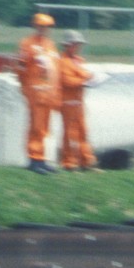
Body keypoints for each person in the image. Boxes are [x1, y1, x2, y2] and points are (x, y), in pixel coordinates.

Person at [15, 13, 61, 174]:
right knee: (36, 127)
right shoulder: (27, 43)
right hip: (35, 91)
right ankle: (33, 159)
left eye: (48, 27)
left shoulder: (50, 45)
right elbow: (20, 67)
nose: (45, 29)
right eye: (42, 26)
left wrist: (56, 92)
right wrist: (25, 86)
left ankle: (41, 159)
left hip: (49, 93)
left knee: (44, 128)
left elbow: (56, 69)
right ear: (35, 26)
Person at [58, 30, 100, 172]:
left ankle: (86, 161)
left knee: (83, 132)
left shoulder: (79, 60)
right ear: (68, 45)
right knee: (70, 133)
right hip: (68, 102)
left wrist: (91, 76)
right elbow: (66, 80)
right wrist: (84, 81)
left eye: (79, 44)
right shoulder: (62, 61)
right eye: (76, 44)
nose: (78, 47)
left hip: (79, 102)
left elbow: (84, 74)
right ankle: (69, 163)